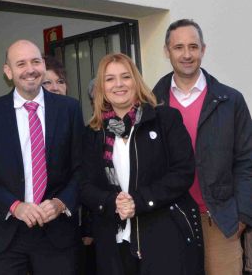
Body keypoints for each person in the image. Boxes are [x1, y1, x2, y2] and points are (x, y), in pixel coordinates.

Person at [81, 53, 203, 274]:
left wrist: (139, 201)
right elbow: (85, 185)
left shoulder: (166, 119)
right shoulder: (93, 132)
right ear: (101, 86)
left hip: (163, 235)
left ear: (136, 81)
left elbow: (183, 172)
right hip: (113, 241)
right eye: (110, 79)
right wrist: (112, 202)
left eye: (125, 77)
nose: (118, 84)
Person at [152, 18, 252, 275]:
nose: (187, 54)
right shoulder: (152, 103)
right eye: (179, 47)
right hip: (170, 221)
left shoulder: (230, 100)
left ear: (203, 50)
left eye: (193, 47)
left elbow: (246, 160)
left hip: (219, 220)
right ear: (167, 51)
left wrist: (242, 215)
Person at [0, 39, 83, 274]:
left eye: (35, 61)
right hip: (6, 235)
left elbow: (81, 168)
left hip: (57, 235)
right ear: (8, 71)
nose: (30, 69)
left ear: (43, 65)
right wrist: (15, 206)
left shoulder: (69, 109)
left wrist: (60, 203)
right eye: (21, 63)